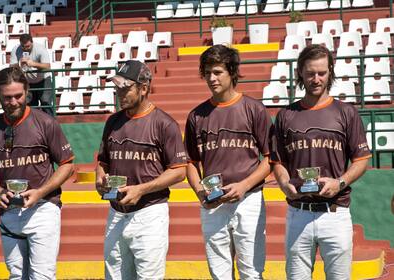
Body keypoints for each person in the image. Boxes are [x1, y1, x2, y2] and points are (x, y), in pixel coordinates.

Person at [270, 44, 371, 280]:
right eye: (310, 73)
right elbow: (277, 161)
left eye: (322, 73)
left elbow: (361, 160)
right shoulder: (285, 115)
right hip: (298, 211)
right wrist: (284, 183)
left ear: (330, 72)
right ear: (300, 74)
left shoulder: (346, 112)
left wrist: (340, 182)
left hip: (335, 212)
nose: (316, 79)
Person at [0, 66, 74, 279]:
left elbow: (67, 164)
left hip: (44, 208)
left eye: (18, 96)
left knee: (42, 276)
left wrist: (39, 192)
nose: (13, 102)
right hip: (9, 211)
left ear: (27, 91)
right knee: (17, 275)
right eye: (7, 97)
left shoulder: (46, 123)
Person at [184, 45, 272, 279]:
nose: (211, 78)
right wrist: (199, 191)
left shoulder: (254, 109)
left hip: (249, 199)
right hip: (212, 203)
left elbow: (271, 159)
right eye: (208, 73)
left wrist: (244, 185)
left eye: (217, 72)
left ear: (232, 72)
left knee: (251, 273)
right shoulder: (196, 116)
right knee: (219, 274)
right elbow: (191, 162)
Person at [95, 60, 187, 279]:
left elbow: (179, 171)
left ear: (144, 88)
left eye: (125, 88)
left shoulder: (165, 124)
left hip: (149, 213)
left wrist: (141, 190)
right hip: (116, 212)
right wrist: (100, 177)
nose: (119, 92)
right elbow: (103, 161)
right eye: (116, 87)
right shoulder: (112, 121)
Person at [10, 33, 53, 116]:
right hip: (28, 82)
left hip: (43, 79)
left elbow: (47, 66)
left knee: (46, 102)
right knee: (30, 105)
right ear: (20, 44)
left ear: (32, 42)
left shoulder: (41, 49)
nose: (25, 49)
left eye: (28, 46)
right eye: (23, 46)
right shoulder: (16, 49)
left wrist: (33, 64)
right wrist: (19, 65)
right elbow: (12, 67)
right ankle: (33, 126)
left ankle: (52, 125)